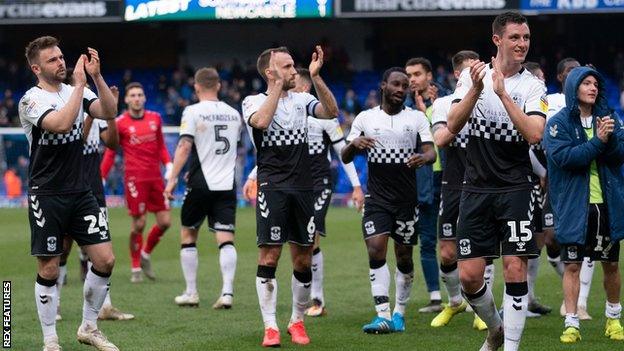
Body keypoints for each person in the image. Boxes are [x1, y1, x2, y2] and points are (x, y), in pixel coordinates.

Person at [447, 12, 548, 351]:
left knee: (515, 267)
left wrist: (504, 94)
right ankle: (496, 329)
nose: (522, 44)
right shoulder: (471, 76)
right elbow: (453, 124)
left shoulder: (533, 85)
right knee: (469, 276)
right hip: (475, 188)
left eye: (526, 38)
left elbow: (535, 134)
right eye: (515, 37)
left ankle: (510, 348)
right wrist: (477, 89)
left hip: (517, 187)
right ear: (497, 40)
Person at [19, 36, 119, 351]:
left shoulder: (78, 88)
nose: (61, 63)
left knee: (105, 259)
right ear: (36, 68)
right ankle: (50, 339)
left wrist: (97, 77)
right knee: (49, 267)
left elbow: (109, 110)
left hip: (80, 190)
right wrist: (78, 86)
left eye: (61, 57)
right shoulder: (30, 100)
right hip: (46, 193)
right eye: (52, 60)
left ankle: (89, 327)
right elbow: (61, 124)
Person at [242, 68, 364, 317]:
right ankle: (311, 299)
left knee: (313, 237)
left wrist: (357, 185)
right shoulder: (279, 114)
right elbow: (278, 153)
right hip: (285, 181)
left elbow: (343, 153)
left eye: (296, 83)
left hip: (317, 182)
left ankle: (317, 298)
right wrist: (253, 175)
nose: (292, 86)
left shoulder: (321, 118)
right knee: (293, 245)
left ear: (305, 89)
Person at [242, 46, 338, 347]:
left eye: (293, 65)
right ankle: (270, 326)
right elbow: (260, 123)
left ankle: (297, 321)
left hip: (304, 187)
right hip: (272, 186)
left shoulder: (303, 100)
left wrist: (317, 77)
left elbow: (331, 112)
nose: (293, 70)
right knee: (269, 255)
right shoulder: (252, 101)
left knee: (303, 260)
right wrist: (276, 89)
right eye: (286, 67)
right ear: (270, 72)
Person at [342, 67, 436, 334]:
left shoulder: (416, 118)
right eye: (396, 84)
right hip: (377, 198)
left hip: (407, 199)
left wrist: (423, 158)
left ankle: (399, 313)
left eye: (405, 86)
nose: (400, 89)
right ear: (383, 86)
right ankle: (382, 313)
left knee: (404, 257)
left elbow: (430, 151)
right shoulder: (365, 118)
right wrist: (354, 144)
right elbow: (346, 156)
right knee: (375, 248)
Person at [543, 66, 624, 343]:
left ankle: (614, 320)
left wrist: (609, 139)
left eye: (595, 84)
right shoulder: (558, 123)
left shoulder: (610, 118)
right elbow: (566, 158)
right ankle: (572, 323)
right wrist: (599, 141)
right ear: (573, 87)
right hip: (574, 206)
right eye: (586, 83)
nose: (593, 88)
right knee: (573, 265)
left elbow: (619, 155)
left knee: (611, 264)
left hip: (606, 204)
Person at [55, 80, 134, 322]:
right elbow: (78, 140)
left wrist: (111, 113)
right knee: (63, 249)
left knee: (101, 250)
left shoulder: (96, 111)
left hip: (93, 189)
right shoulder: (61, 116)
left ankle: (105, 307)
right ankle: (55, 304)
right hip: (66, 188)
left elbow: (112, 143)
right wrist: (89, 113)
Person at [163, 67, 241, 309]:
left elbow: (185, 146)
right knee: (226, 238)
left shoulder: (193, 111)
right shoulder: (233, 114)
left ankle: (191, 292)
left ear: (196, 87)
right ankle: (227, 292)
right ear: (218, 86)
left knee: (188, 234)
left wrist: (172, 178)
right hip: (227, 183)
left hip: (200, 182)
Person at [429, 50, 490, 331]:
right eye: (468, 71)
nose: (474, 75)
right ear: (456, 74)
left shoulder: (490, 100)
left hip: (484, 183)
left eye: (477, 69)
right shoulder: (442, 105)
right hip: (453, 184)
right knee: (447, 252)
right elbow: (441, 138)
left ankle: (482, 308)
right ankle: (454, 302)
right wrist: (465, 107)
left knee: (484, 251)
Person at [101, 82, 173, 282]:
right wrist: (102, 176)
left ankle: (145, 254)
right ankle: (135, 268)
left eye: (140, 94)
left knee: (165, 222)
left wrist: (169, 165)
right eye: (132, 95)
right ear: (126, 99)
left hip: (156, 178)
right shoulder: (121, 122)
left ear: (144, 98)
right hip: (134, 179)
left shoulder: (155, 118)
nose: (137, 98)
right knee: (139, 223)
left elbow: (161, 147)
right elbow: (110, 152)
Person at [546, 57, 596, 319]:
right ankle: (529, 297)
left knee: (588, 243)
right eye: (571, 72)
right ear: (561, 77)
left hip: (587, 186)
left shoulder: (595, 110)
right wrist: (542, 173)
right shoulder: (551, 103)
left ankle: (580, 303)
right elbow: (537, 140)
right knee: (550, 238)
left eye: (584, 74)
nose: (576, 76)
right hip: (552, 180)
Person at [405, 57, 443, 312]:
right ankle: (436, 297)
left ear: (429, 75)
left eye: (417, 74)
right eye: (409, 75)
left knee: (459, 240)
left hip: (450, 179)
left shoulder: (446, 102)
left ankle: (469, 294)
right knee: (427, 241)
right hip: (422, 183)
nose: (412, 80)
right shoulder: (405, 109)